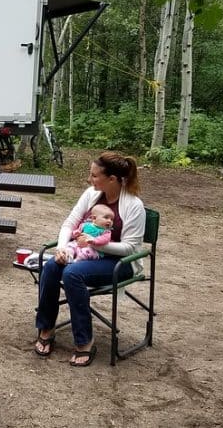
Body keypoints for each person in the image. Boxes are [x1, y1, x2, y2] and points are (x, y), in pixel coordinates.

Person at [34, 151, 145, 366]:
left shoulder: (133, 206)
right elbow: (69, 223)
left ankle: (85, 341)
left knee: (72, 273)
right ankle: (46, 328)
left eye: (94, 176)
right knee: (51, 267)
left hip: (119, 263)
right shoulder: (90, 194)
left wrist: (95, 243)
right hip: (84, 254)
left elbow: (131, 248)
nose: (89, 179)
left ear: (112, 179)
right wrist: (62, 249)